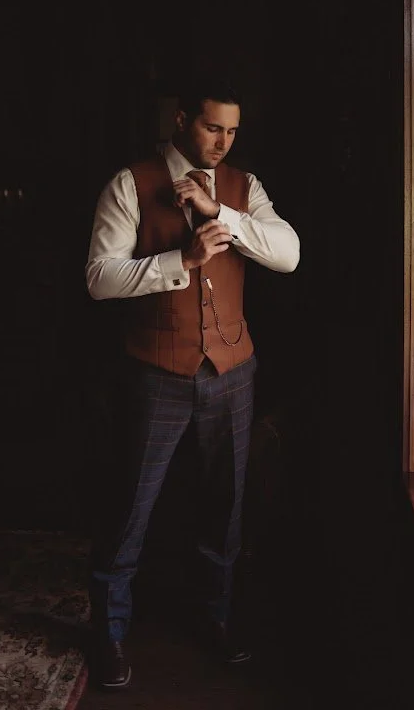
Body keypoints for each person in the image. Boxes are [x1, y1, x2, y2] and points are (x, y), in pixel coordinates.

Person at [84, 78, 300, 690]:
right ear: (181, 120)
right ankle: (110, 633)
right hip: (155, 371)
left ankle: (217, 620)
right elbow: (100, 277)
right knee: (131, 508)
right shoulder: (130, 183)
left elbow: (288, 254)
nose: (222, 143)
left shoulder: (242, 189)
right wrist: (181, 261)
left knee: (224, 507)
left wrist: (221, 215)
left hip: (233, 371)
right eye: (212, 128)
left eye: (232, 131)